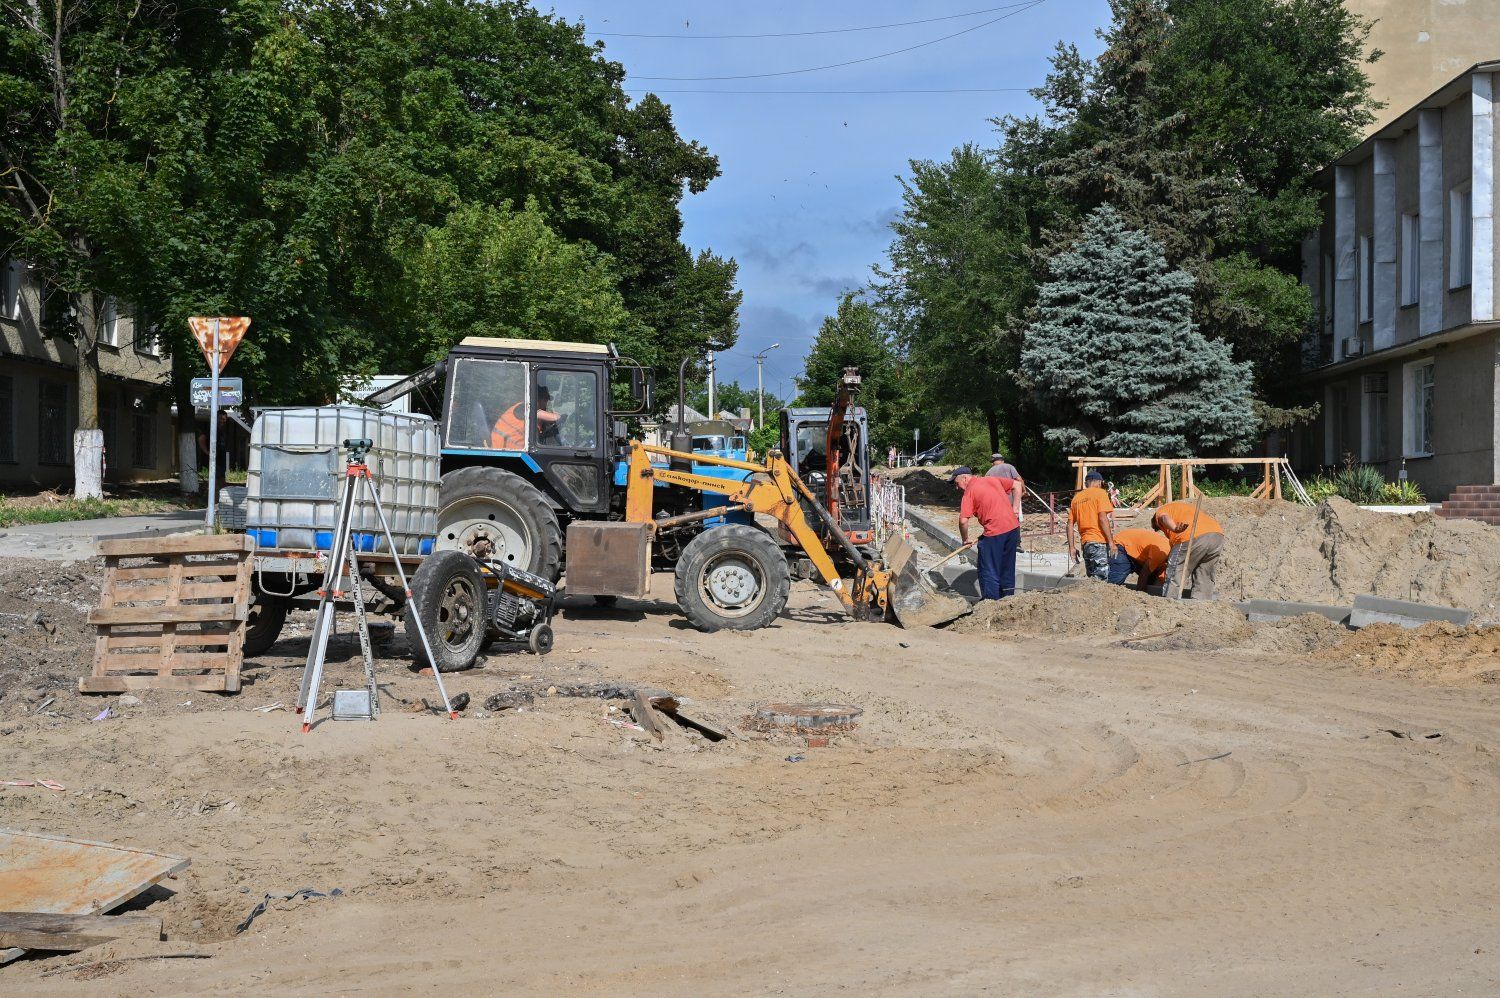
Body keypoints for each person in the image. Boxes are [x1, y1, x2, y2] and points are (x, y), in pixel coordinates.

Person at [950, 465, 1020, 601]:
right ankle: (1008, 601)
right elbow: (1017, 485)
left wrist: (965, 539)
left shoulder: (969, 492)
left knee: (988, 570)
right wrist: (1015, 509)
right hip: (1012, 529)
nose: (956, 487)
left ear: (965, 478)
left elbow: (963, 521)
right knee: (1007, 568)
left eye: (956, 483)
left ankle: (990, 604)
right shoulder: (991, 479)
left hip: (995, 533)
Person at [1153, 500, 1225, 600]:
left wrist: (1174, 528)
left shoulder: (1161, 511)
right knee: (1205, 572)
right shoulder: (1183, 509)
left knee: (1176, 569)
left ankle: (1170, 599)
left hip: (1191, 536)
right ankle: (1201, 601)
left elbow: (1164, 518)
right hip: (1217, 535)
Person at [1067, 470, 1116, 581]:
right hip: (1098, 542)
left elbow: (1069, 524)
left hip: (1086, 544)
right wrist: (1111, 542)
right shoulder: (1100, 493)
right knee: (1100, 581)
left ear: (1086, 483)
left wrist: (1072, 547)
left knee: (1091, 581)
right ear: (1099, 482)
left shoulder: (1076, 498)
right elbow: (1102, 518)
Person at [490, 386, 560, 450]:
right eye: (545, 400)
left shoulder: (530, 411)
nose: (546, 404)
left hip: (513, 448)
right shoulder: (523, 408)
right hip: (503, 450)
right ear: (537, 399)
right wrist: (556, 416)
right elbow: (554, 417)